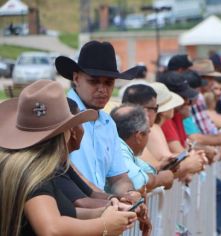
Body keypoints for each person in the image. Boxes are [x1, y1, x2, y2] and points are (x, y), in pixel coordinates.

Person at [0, 80, 137, 236]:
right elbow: (51, 229)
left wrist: (108, 212)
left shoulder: (29, 168)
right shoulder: (35, 175)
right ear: (67, 131)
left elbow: (68, 214)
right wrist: (104, 225)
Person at [55, 41, 141, 200]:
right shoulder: (60, 116)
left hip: (99, 213)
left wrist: (129, 194)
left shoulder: (108, 123)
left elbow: (119, 178)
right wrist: (108, 201)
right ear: (76, 78)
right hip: (66, 214)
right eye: (93, 81)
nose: (102, 89)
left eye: (109, 83)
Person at [110, 104, 175, 192]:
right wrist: (160, 179)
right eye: (148, 132)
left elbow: (148, 171)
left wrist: (160, 168)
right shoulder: (118, 150)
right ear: (139, 136)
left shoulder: (125, 150)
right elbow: (139, 183)